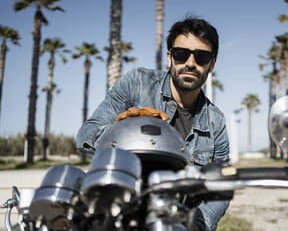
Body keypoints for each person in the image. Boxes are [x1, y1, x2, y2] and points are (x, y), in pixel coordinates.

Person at [76, 17, 230, 231]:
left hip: (174, 221)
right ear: (170, 57)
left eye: (202, 56)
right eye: (181, 53)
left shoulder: (216, 121)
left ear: (211, 64)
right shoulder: (137, 83)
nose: (190, 63)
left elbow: (219, 188)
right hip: (120, 212)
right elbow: (86, 133)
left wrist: (196, 225)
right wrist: (120, 129)